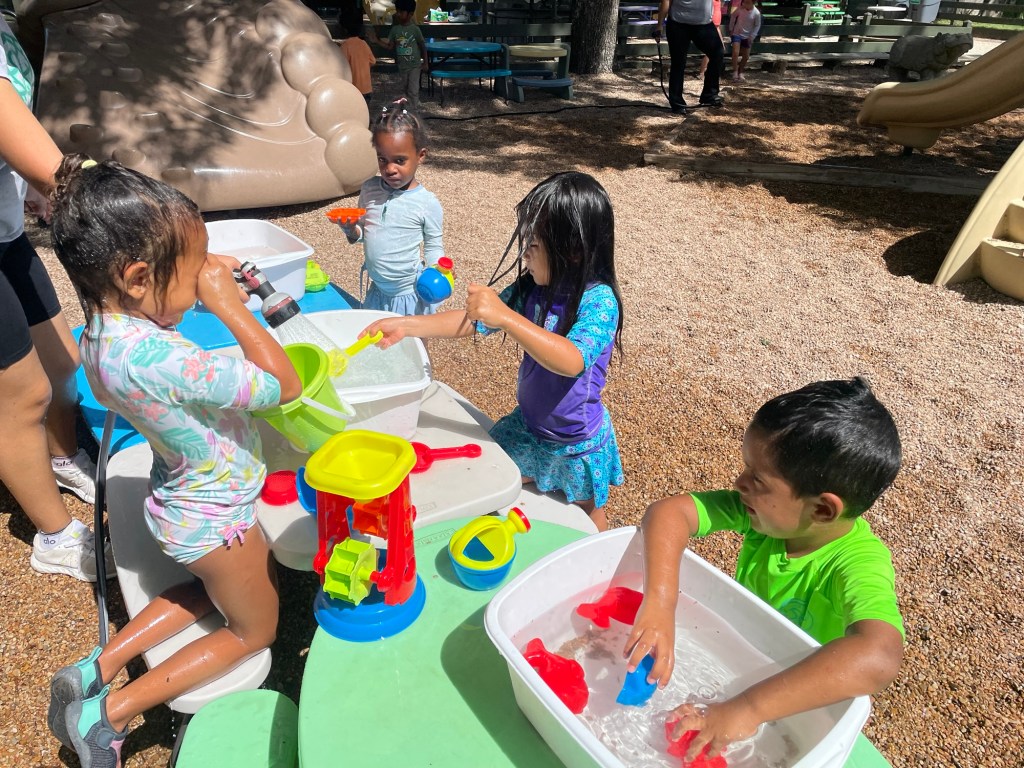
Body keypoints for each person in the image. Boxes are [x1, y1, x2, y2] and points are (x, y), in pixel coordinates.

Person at [45, 155, 302, 768]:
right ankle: (108, 714)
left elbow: (163, 325)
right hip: (217, 519)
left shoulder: (102, 336)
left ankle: (98, 666)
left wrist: (194, 272)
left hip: (179, 505)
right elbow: (283, 384)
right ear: (138, 278)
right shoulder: (161, 360)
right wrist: (231, 307)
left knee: (206, 590)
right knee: (254, 628)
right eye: (193, 267)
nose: (203, 276)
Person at [624, 378, 905, 762]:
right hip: (739, 663)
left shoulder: (858, 562)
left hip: (799, 696)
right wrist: (659, 603)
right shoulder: (766, 516)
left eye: (757, 478)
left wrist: (748, 708)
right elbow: (668, 513)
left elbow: (879, 656)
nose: (739, 484)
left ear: (822, 509)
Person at [359, 171, 625, 531]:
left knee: (586, 510)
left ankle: (602, 555)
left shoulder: (599, 302)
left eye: (535, 244)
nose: (525, 252)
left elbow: (571, 360)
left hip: (576, 442)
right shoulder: (533, 288)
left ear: (573, 251)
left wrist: (507, 318)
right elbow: (474, 321)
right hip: (528, 427)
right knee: (486, 475)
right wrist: (408, 325)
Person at [1, 13, 108, 581]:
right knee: (22, 395)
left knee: (63, 363)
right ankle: (55, 538)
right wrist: (108, 200)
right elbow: (58, 171)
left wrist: (27, 189)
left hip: (6, 236)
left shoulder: (5, 28)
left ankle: (61, 457)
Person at [336, 99, 445, 315]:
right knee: (376, 334)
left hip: (409, 294)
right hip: (377, 291)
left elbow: (434, 245)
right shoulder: (369, 189)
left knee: (406, 335)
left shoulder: (426, 203)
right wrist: (350, 229)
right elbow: (364, 233)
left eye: (399, 160)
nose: (390, 169)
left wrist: (437, 271)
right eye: (382, 159)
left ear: (420, 156)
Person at [655, 0, 725, 114]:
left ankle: (709, 95)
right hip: (678, 24)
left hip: (704, 24)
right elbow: (666, 1)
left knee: (718, 53)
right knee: (678, 63)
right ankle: (677, 103)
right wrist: (659, 25)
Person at [367, 0, 424, 112]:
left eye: (401, 12)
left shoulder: (415, 29)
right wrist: (377, 41)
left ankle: (414, 112)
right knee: (404, 90)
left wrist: (425, 62)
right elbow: (390, 46)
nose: (398, 14)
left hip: (415, 66)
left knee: (413, 90)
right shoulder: (395, 30)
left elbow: (422, 45)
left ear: (410, 14)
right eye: (397, 11)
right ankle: (405, 111)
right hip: (402, 66)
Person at [338, 9, 376, 107]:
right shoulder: (364, 44)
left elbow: (341, 67)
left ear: (344, 29)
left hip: (353, 89)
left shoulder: (345, 46)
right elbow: (373, 61)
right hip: (367, 89)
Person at [728, 0, 762, 81]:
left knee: (746, 56)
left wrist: (752, 36)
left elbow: (757, 25)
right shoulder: (740, 9)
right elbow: (733, 16)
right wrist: (731, 28)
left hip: (748, 36)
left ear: (753, 3)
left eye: (747, 3)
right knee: (735, 52)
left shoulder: (756, 13)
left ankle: (741, 71)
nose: (745, 4)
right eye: (744, 2)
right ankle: (735, 71)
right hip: (737, 33)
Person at [697, 0, 725, 78]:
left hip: (717, 27)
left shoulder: (719, 1)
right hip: (710, 26)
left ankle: (714, 72)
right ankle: (702, 72)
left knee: (721, 49)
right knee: (711, 51)